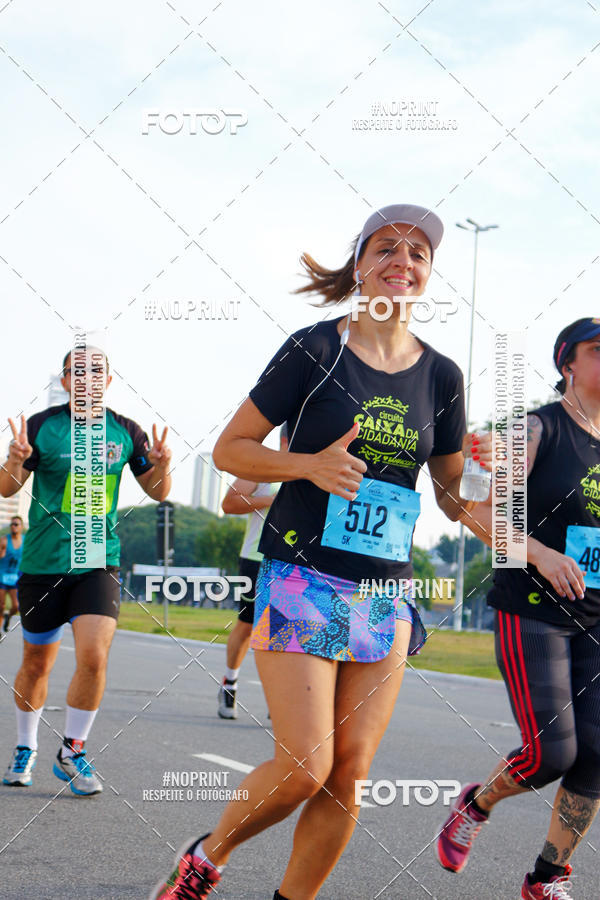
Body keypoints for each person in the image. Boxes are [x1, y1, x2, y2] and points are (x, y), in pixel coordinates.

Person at [152, 203, 489, 899]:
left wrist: (501, 496)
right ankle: (206, 857)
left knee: (348, 776)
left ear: (429, 276)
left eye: (419, 253)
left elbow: (453, 492)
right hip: (303, 576)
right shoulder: (315, 348)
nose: (404, 261)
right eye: (388, 249)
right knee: (305, 766)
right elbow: (229, 449)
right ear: (360, 264)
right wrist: (307, 466)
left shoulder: (444, 377)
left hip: (384, 593)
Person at [437, 318, 600, 899]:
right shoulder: (535, 429)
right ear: (568, 364)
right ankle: (474, 805)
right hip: (532, 608)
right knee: (552, 753)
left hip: (596, 620)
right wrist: (540, 553)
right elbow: (475, 512)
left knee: (596, 757)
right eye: (598, 351)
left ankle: (545, 879)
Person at [1, 346, 171, 794]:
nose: (89, 377)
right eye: (79, 371)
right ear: (65, 380)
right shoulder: (42, 427)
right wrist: (16, 461)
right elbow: (7, 487)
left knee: (94, 655)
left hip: (98, 560)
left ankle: (72, 751)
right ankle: (26, 745)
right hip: (43, 563)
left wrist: (162, 469)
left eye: (98, 370)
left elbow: (155, 491)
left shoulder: (126, 431)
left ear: (109, 381)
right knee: (37, 662)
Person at [217, 425, 287, 719]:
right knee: (247, 626)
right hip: (255, 558)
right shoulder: (262, 466)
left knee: (284, 632)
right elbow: (230, 503)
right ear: (287, 439)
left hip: (292, 564)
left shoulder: (314, 469)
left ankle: (281, 699)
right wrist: (270, 501)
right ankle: (229, 682)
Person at [0, 515, 24, 633]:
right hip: (2, 576)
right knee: (1, 605)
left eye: (16, 524)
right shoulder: (4, 540)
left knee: (15, 606)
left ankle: (8, 617)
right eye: (12, 524)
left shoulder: (25, 541)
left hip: (15, 578)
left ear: (21, 527)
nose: (13, 526)